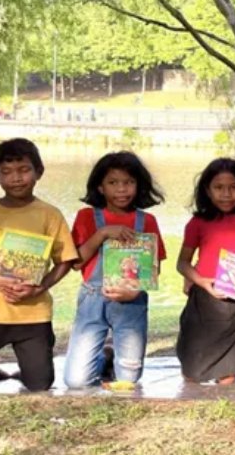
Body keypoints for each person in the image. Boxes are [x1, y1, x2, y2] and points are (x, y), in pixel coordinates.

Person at [0, 139, 79, 391]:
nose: (16, 178)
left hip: (32, 314)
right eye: (7, 172)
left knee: (40, 384)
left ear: (38, 172)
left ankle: (23, 369)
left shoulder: (50, 214)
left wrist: (40, 287)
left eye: (24, 170)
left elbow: (65, 260)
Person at [63, 151, 167, 389]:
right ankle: (103, 356)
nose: (121, 189)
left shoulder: (146, 221)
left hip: (131, 301)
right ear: (100, 187)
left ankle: (111, 357)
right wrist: (102, 234)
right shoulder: (86, 217)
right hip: (93, 298)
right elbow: (76, 263)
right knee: (76, 381)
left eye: (128, 182)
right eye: (113, 183)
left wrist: (135, 291)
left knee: (128, 379)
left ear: (138, 185)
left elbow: (154, 267)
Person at [176, 158, 235, 385]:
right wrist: (200, 281)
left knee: (230, 371)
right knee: (192, 366)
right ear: (207, 190)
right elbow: (182, 263)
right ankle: (192, 400)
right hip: (204, 299)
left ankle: (223, 399)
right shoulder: (198, 223)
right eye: (219, 187)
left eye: (234, 187)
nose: (226, 194)